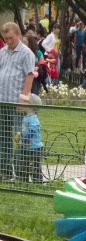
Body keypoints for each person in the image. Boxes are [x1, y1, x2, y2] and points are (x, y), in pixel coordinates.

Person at [0, 22, 35, 181]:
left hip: (16, 103)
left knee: (21, 137)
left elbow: (29, 75)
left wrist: (23, 98)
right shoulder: (2, 52)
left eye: (11, 38)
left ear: (18, 34)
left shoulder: (26, 53)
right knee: (3, 137)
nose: (8, 41)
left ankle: (22, 172)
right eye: (5, 38)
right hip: (2, 101)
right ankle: (5, 171)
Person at [15, 93, 43, 183]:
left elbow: (32, 131)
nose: (22, 103)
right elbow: (25, 130)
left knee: (34, 167)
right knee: (24, 165)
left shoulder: (33, 118)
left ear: (31, 106)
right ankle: (24, 181)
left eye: (25, 101)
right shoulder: (26, 117)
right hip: (27, 147)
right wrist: (19, 136)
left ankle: (37, 183)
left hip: (35, 148)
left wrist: (23, 140)